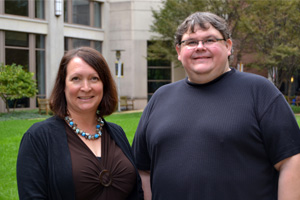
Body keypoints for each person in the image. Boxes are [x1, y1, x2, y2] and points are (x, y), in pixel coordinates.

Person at [132, 12, 300, 200]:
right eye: (191, 42)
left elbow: (291, 160)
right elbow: (142, 169)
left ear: (228, 46)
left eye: (210, 40)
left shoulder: (260, 91)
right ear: (179, 51)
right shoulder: (160, 98)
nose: (200, 47)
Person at [17, 47, 143, 200]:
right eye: (76, 78)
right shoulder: (38, 137)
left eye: (94, 78)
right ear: (63, 86)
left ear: (104, 84)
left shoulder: (116, 133)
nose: (86, 87)